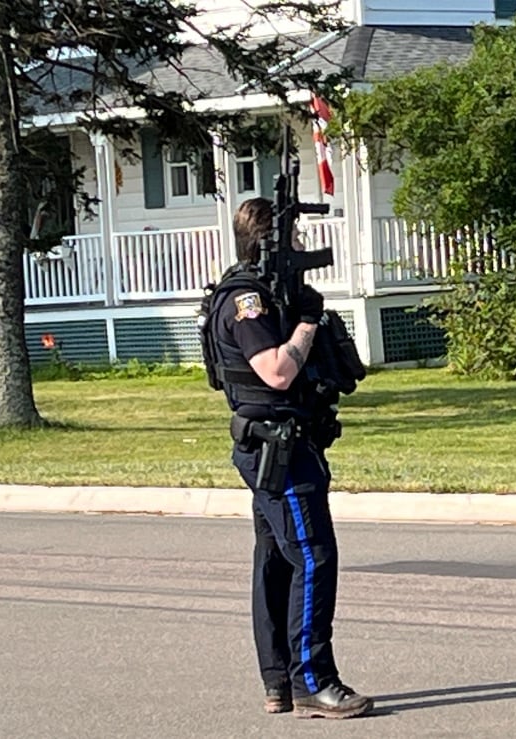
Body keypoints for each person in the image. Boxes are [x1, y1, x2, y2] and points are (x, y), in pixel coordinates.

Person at [207, 197, 372, 719]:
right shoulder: (246, 303)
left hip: (284, 443)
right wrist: (305, 321)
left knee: (278, 562)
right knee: (313, 555)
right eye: (293, 240)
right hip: (276, 449)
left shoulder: (263, 296)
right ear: (269, 244)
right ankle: (312, 680)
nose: (301, 248)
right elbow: (276, 372)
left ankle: (278, 680)